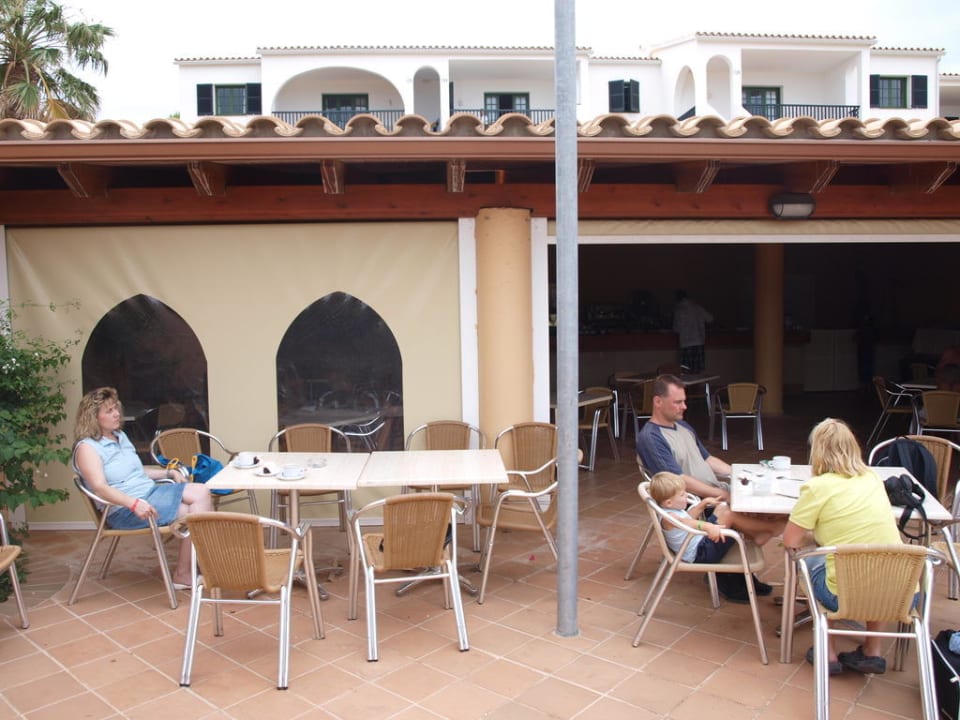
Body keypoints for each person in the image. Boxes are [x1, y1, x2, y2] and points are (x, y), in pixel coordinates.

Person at [782, 417, 902, 676]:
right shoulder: (872, 478)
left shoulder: (817, 486)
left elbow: (790, 541)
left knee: (813, 561)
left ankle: (827, 651)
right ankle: (872, 650)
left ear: (817, 451)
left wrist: (818, 535)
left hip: (844, 591)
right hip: (900, 591)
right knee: (876, 564)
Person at [73, 387, 214, 590]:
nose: (116, 414)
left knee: (200, 497)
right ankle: (190, 571)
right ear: (93, 418)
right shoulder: (87, 448)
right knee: (196, 509)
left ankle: (190, 570)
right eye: (109, 411)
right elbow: (100, 488)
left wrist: (168, 473)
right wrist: (133, 504)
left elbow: (137, 472)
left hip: (151, 494)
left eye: (116, 408)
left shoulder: (119, 436)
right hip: (124, 510)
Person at [637, 374, 731, 501]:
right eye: (678, 402)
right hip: (698, 502)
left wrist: (738, 474)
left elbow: (708, 459)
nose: (684, 407)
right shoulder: (651, 438)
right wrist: (722, 494)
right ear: (658, 401)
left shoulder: (683, 426)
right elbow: (677, 480)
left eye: (684, 401)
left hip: (717, 492)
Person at [649, 471, 784, 558]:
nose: (686, 496)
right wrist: (707, 526)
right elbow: (687, 522)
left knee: (723, 507)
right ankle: (770, 528)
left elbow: (688, 517)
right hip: (700, 553)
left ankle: (757, 533)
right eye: (682, 495)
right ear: (669, 503)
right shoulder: (669, 518)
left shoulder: (672, 510)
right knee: (729, 515)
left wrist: (703, 503)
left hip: (701, 541)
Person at [672, 290, 713, 374]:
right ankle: (697, 382)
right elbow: (710, 319)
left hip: (686, 344)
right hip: (699, 342)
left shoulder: (679, 310)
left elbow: (676, 329)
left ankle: (689, 383)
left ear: (677, 299)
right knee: (697, 371)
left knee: (686, 371)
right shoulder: (697, 307)